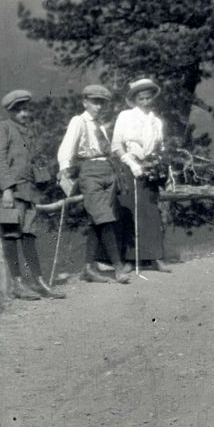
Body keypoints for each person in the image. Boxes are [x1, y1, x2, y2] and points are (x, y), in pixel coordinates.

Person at [0, 89, 65, 300]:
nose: (23, 114)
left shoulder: (29, 131)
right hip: (10, 192)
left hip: (29, 192)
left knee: (28, 235)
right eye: (18, 110)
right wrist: (7, 189)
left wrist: (46, 178)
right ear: (11, 112)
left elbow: (35, 161)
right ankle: (17, 284)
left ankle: (37, 281)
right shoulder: (5, 128)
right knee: (11, 235)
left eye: (26, 109)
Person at [57, 84, 132, 284]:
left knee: (99, 221)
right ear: (85, 102)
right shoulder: (79, 121)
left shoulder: (100, 126)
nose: (99, 107)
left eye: (102, 103)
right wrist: (65, 170)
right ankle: (118, 268)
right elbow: (66, 148)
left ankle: (88, 269)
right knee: (104, 219)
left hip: (108, 170)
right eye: (95, 102)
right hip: (90, 172)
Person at [111, 76, 172, 273]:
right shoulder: (125, 116)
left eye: (148, 98)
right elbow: (116, 145)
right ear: (135, 99)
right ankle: (130, 259)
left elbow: (161, 147)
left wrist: (165, 170)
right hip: (131, 167)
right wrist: (132, 163)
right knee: (132, 211)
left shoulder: (156, 121)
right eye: (141, 99)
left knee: (152, 212)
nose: (145, 102)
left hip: (151, 168)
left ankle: (155, 257)